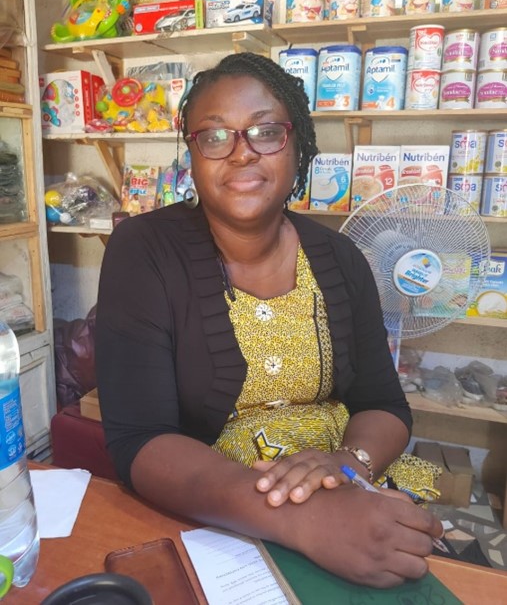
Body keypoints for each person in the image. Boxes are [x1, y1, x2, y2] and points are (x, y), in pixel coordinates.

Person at [95, 52, 443, 588]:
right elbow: (141, 439)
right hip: (218, 511)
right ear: (191, 154)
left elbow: (384, 404)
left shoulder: (342, 258)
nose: (240, 153)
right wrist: (304, 516)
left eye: (264, 131)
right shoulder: (144, 251)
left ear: (297, 143)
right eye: (214, 136)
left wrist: (347, 465)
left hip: (355, 487)